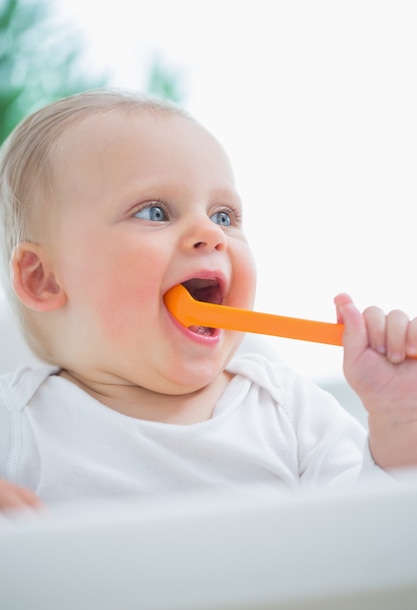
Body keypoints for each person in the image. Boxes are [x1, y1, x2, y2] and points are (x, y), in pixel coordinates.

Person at [0, 88, 416, 510]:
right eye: (154, 212)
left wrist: (401, 425)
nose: (212, 233)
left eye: (224, 216)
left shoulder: (288, 410)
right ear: (43, 279)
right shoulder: (15, 423)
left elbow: (372, 539)